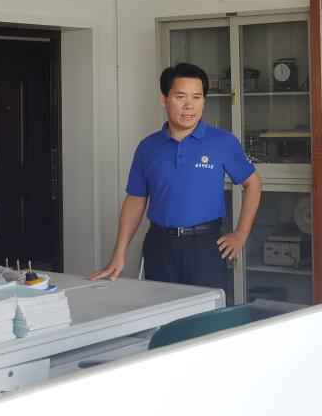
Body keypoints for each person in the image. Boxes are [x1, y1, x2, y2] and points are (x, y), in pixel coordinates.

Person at [90, 62, 262, 295]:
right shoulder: (147, 148)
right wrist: (119, 254)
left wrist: (241, 233)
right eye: (180, 97)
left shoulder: (222, 142)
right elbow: (135, 200)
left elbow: (253, 184)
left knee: (206, 315)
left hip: (204, 245)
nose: (189, 105)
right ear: (164, 99)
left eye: (197, 97)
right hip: (159, 245)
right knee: (162, 312)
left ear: (203, 101)